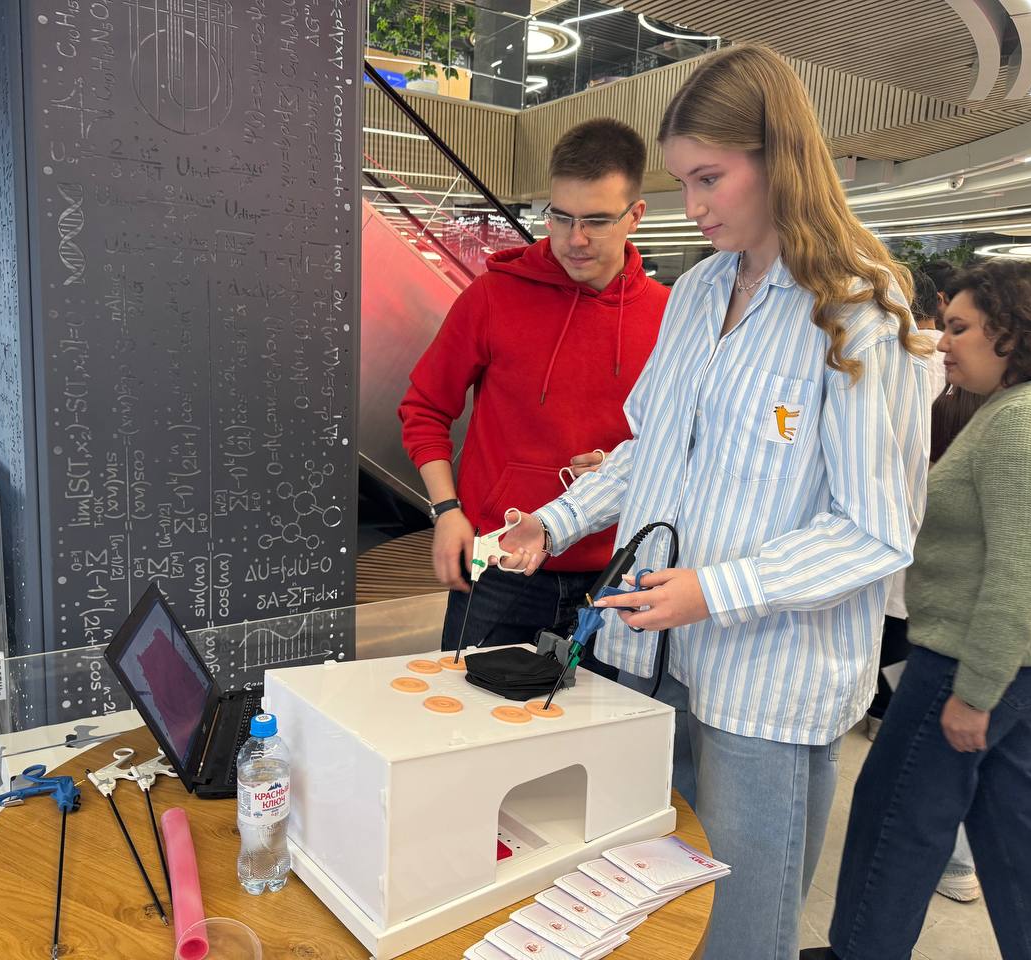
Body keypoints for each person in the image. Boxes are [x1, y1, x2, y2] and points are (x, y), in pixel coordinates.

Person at [498, 45, 931, 960]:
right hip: (652, 660)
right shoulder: (697, 291)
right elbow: (652, 450)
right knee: (648, 909)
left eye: (710, 178)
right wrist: (554, 521)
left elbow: (876, 530)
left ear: (780, 159)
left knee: (740, 931)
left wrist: (717, 590)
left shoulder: (858, 306)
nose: (693, 206)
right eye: (684, 181)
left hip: (767, 682)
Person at [807, 259, 1031, 960]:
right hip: (1020, 654)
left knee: (898, 814)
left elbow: (1019, 578)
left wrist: (976, 693)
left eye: (960, 328)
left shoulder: (1023, 422)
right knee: (1015, 819)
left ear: (1011, 331)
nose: (944, 342)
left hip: (973, 659)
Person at [398, 118, 668, 657]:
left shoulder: (670, 315)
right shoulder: (493, 296)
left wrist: (622, 464)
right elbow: (424, 408)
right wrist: (446, 510)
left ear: (635, 215)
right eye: (560, 216)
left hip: (617, 573)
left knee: (599, 714)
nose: (574, 238)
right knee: (469, 707)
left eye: (596, 220)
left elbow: (682, 442)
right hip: (500, 565)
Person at [866, 268, 945, 738]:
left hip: (891, 500)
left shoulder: (901, 352)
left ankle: (880, 705)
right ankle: (884, 708)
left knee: (891, 609)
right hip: (923, 507)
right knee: (902, 611)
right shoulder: (943, 360)